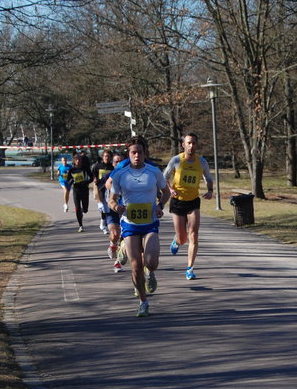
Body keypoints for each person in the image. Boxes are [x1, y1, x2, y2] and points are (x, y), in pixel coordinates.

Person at [109, 136, 169, 317]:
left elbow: (166, 192)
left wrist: (160, 206)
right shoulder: (120, 173)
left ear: (145, 153)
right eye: (133, 152)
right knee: (136, 266)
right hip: (130, 225)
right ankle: (143, 302)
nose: (137, 156)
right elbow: (111, 199)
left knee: (151, 262)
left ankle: (150, 272)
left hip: (150, 224)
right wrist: (116, 207)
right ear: (129, 154)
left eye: (140, 152)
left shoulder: (153, 172)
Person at [163, 133, 214, 280]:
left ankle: (190, 268)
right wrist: (169, 189)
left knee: (194, 235)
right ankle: (177, 240)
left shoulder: (202, 162)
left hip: (193, 201)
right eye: (189, 143)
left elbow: (208, 178)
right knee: (183, 238)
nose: (191, 146)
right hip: (178, 201)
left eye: (194, 143)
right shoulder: (176, 160)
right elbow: (164, 177)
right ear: (183, 145)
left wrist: (210, 191)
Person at [65, 154, 93, 232]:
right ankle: (80, 225)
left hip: (84, 190)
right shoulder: (72, 170)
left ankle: (83, 209)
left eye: (79, 159)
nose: (78, 161)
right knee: (77, 209)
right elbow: (68, 181)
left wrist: (86, 182)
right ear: (74, 161)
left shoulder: (85, 168)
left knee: (85, 210)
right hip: (76, 191)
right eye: (76, 160)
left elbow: (91, 178)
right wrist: (72, 181)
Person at [92, 149, 114, 235]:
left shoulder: (112, 167)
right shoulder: (97, 166)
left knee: (108, 208)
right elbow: (93, 175)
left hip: (109, 189)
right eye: (105, 156)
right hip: (99, 188)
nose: (107, 158)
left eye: (108, 156)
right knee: (103, 207)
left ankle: (103, 223)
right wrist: (94, 179)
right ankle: (104, 225)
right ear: (103, 157)